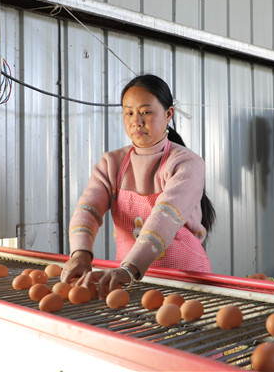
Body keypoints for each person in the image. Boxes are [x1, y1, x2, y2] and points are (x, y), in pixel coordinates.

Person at [61, 74, 216, 299]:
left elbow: (164, 217)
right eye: (129, 112)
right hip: (126, 280)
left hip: (185, 284)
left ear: (168, 114)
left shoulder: (186, 163)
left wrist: (130, 269)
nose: (137, 121)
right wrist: (80, 253)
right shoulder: (112, 163)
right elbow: (87, 210)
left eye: (146, 112)